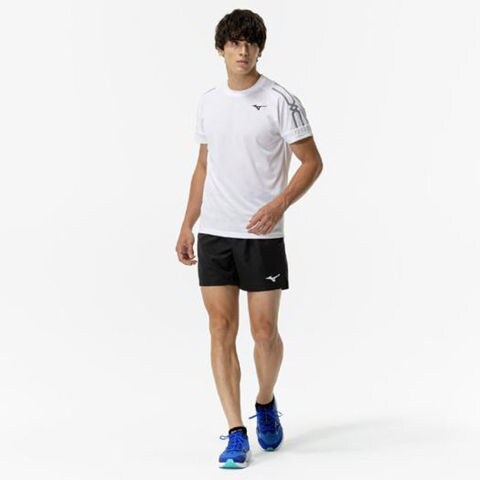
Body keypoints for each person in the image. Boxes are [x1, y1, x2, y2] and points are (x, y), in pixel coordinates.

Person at [175, 8, 323, 469]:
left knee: (264, 333)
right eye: (234, 43)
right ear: (220, 49)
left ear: (260, 48)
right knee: (221, 329)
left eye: (250, 43)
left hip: (261, 236)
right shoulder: (208, 102)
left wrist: (279, 205)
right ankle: (236, 430)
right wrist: (187, 223)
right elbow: (204, 164)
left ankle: (265, 400)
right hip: (215, 233)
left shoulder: (280, 100)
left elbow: (312, 162)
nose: (242, 51)